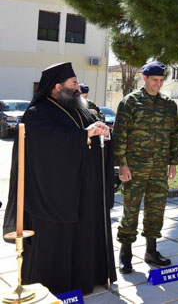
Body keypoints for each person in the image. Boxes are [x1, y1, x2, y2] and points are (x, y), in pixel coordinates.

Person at [3, 62, 115, 295]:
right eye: (73, 84)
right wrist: (84, 134)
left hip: (84, 188)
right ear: (57, 86)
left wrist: (102, 132)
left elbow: (89, 136)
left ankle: (88, 278)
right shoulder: (37, 113)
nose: (78, 88)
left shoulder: (81, 109)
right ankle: (55, 283)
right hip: (53, 191)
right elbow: (49, 143)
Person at [113, 61, 178, 274]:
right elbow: (120, 135)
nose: (158, 85)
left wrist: (173, 162)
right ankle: (125, 254)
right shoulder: (130, 102)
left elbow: (174, 135)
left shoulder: (169, 105)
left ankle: (151, 250)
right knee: (130, 209)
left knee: (156, 209)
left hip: (159, 167)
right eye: (154, 80)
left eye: (161, 81)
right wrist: (122, 165)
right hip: (135, 167)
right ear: (144, 78)